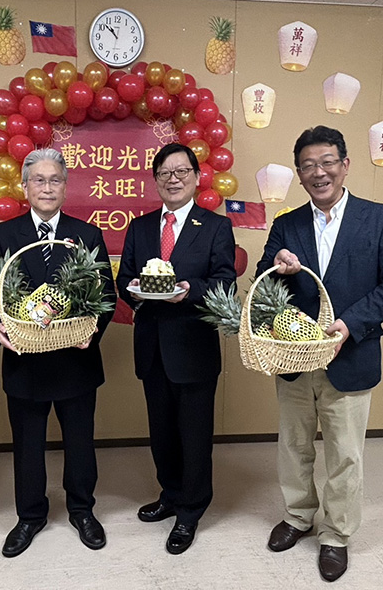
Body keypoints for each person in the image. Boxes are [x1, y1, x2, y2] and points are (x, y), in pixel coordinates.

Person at [255, 126, 383, 582]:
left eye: (327, 162)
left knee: (345, 453)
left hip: (352, 356)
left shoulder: (380, 219)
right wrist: (277, 266)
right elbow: (266, 280)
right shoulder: (286, 224)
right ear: (299, 174)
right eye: (308, 165)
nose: (318, 172)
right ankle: (298, 516)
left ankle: (337, 536)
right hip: (294, 357)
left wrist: (352, 322)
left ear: (345, 165)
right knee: (293, 445)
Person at [0, 148, 116, 557]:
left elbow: (106, 294)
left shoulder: (86, 234)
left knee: (80, 442)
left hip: (77, 359)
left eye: (55, 180)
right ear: (25, 186)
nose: (47, 187)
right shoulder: (3, 236)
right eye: (39, 179)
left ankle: (82, 509)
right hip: (23, 361)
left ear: (66, 187)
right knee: (27, 444)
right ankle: (30, 516)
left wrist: (93, 332)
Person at [116, 142, 236, 554]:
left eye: (182, 171)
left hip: (194, 348)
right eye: (165, 172)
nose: (173, 179)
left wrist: (186, 291)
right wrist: (135, 294)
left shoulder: (216, 227)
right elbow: (125, 279)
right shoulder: (140, 227)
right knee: (162, 432)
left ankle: (191, 510)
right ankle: (170, 494)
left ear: (197, 177)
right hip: (151, 348)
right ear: (155, 180)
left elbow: (224, 280)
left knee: (195, 435)